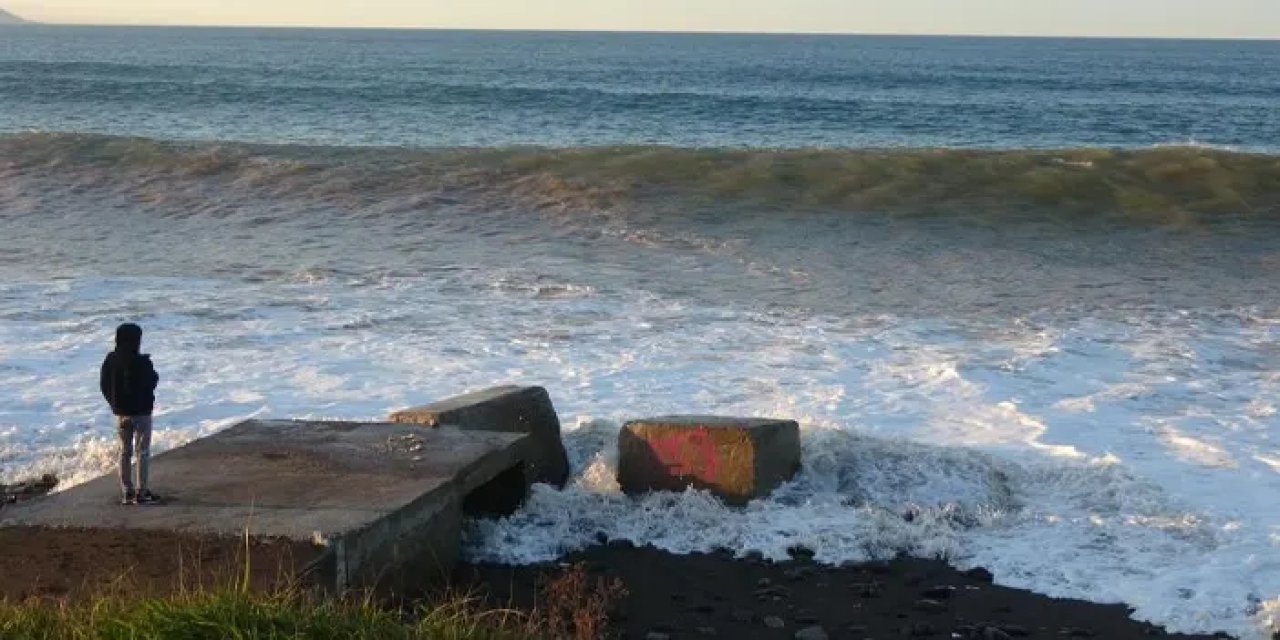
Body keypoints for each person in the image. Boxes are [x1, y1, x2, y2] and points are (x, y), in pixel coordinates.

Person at [99, 323, 160, 505]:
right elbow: (152, 381)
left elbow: (104, 384)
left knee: (124, 451)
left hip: (121, 413)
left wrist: (114, 403)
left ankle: (127, 492)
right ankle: (142, 492)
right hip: (142, 413)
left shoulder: (110, 359)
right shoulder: (141, 361)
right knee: (143, 451)